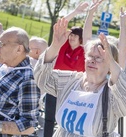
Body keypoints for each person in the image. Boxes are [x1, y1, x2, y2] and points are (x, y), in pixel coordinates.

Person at [34, 18, 126, 137]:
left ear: (110, 64)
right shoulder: (71, 80)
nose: (93, 61)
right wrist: (55, 46)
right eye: (90, 56)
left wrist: (114, 64)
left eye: (99, 58)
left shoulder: (111, 92)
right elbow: (41, 78)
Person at [43, 2, 89, 137]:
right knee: (49, 119)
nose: (71, 37)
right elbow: (60, 25)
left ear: (81, 39)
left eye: (75, 35)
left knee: (66, 122)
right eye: (71, 34)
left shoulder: (84, 51)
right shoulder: (63, 46)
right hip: (55, 85)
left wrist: (89, 15)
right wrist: (76, 11)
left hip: (73, 90)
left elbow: (88, 35)